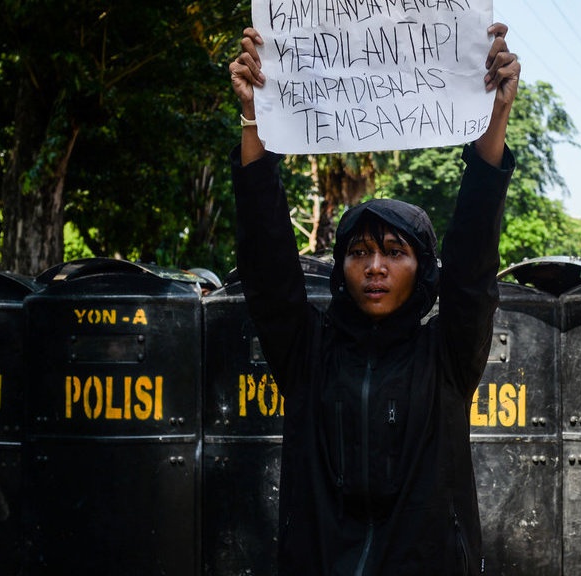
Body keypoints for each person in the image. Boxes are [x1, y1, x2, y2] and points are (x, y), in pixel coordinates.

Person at [228, 22, 519, 576]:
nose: (376, 266)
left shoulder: (446, 357)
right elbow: (267, 265)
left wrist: (495, 115)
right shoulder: (308, 352)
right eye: (359, 252)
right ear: (341, 270)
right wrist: (254, 116)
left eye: (394, 252)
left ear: (423, 269)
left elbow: (473, 265)